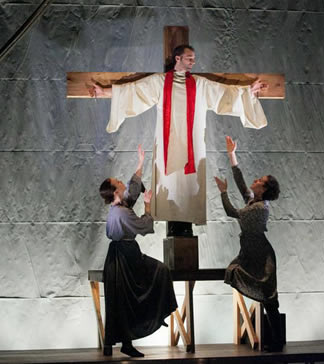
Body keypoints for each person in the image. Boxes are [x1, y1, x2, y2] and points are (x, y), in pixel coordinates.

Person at [91, 45, 268, 230]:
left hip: (193, 150)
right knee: (168, 189)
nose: (193, 62)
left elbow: (225, 94)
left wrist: (248, 91)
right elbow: (133, 92)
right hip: (167, 152)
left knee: (189, 191)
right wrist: (104, 92)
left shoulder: (200, 85)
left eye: (194, 58)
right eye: (189, 58)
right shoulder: (159, 83)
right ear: (177, 58)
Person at [99, 145, 178, 357]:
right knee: (160, 272)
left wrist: (141, 163)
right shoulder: (123, 214)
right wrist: (149, 205)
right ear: (115, 191)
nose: (122, 183)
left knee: (123, 300)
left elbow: (132, 192)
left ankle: (129, 339)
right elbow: (144, 225)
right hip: (127, 257)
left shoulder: (118, 208)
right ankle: (157, 312)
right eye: (119, 183)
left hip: (118, 256)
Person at [214, 136, 284, 352]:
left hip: (261, 255)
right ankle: (274, 340)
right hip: (249, 252)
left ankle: (276, 341)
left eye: (259, 180)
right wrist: (232, 154)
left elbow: (233, 212)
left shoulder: (259, 208)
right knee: (264, 295)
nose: (255, 180)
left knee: (269, 297)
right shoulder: (254, 201)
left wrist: (223, 192)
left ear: (263, 189)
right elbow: (242, 183)